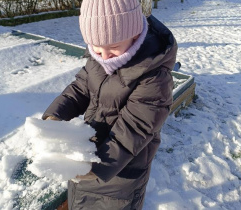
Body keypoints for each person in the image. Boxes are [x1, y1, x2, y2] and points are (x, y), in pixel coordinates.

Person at [43, 0, 178, 209]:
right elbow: (81, 88)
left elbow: (136, 127)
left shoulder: (154, 76)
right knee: (81, 199)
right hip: (90, 151)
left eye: (113, 47)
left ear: (134, 34)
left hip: (122, 168)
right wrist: (55, 116)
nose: (104, 56)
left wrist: (98, 167)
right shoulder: (98, 58)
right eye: (96, 48)